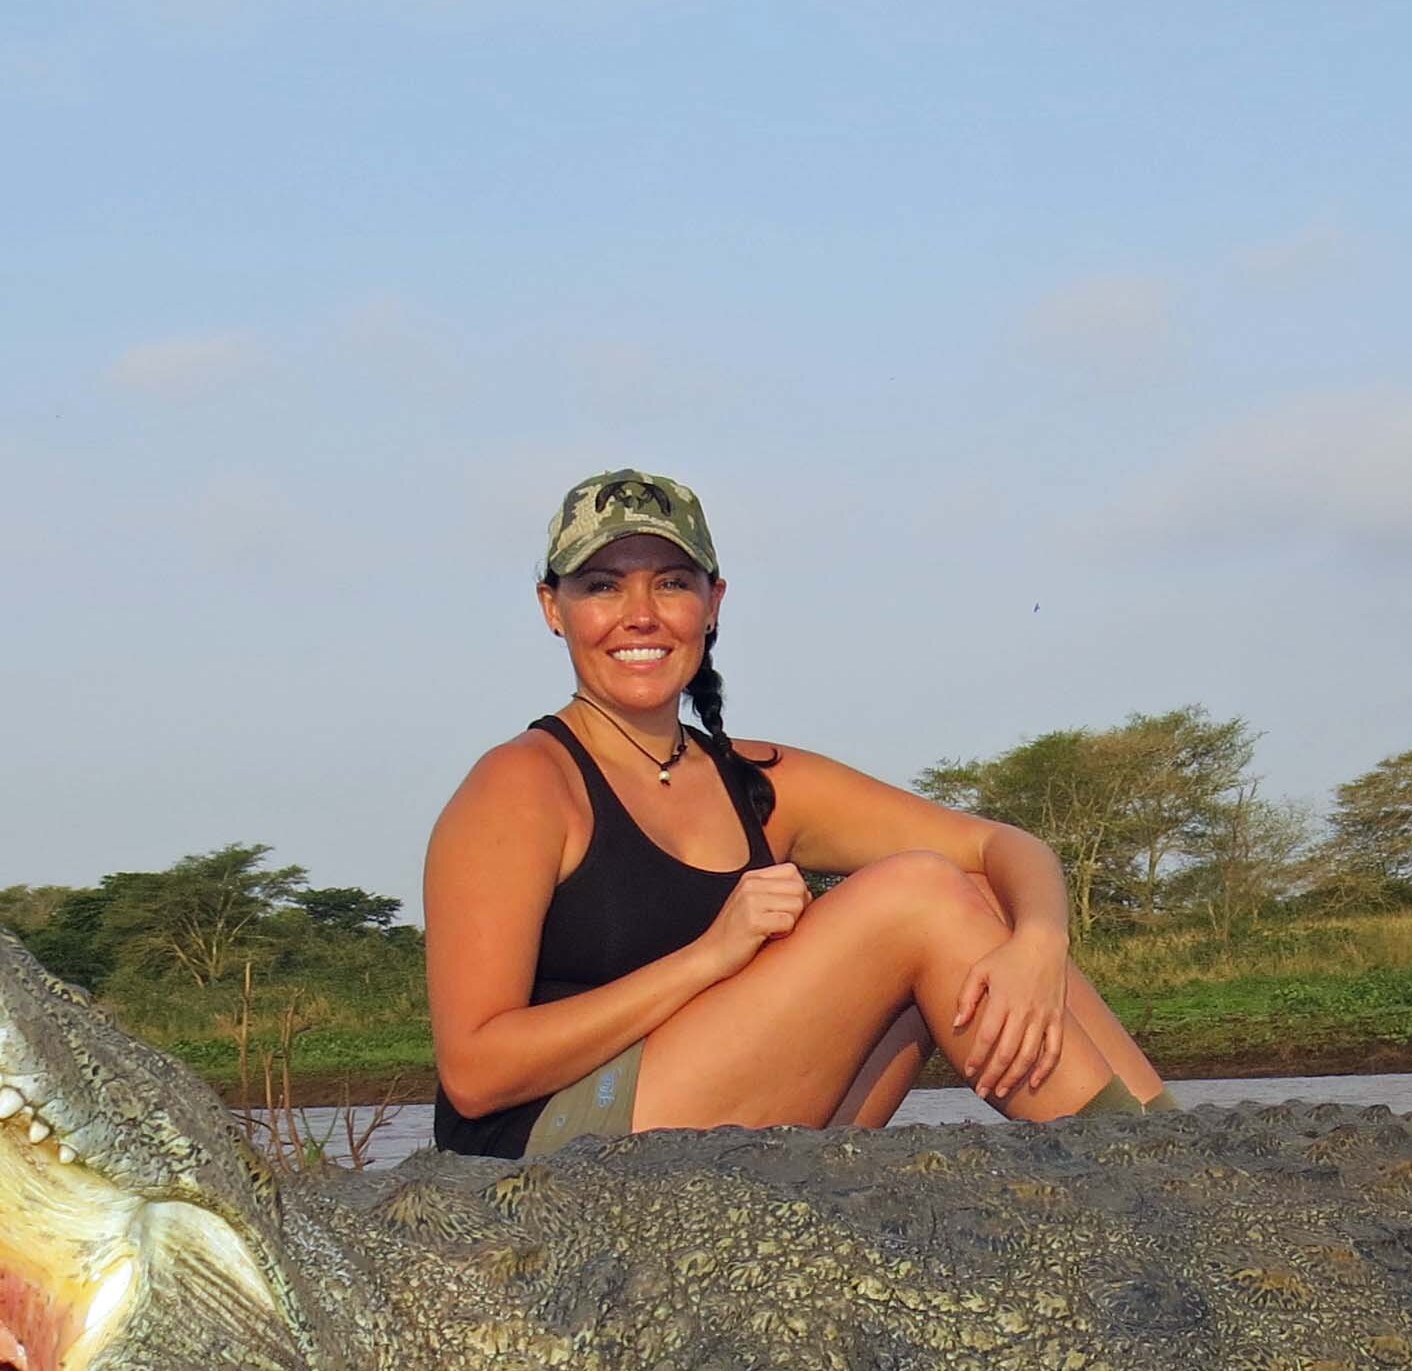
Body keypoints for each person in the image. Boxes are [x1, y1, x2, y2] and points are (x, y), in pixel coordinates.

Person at [427, 468, 1169, 1159]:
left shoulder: (754, 778)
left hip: (714, 1125)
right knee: (915, 895)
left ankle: (1178, 1162)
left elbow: (1005, 846)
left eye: (671, 584)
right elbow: (476, 1073)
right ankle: (1145, 1181)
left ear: (712, 604)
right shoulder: (522, 783)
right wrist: (709, 957)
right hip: (551, 1150)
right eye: (602, 587)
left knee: (980, 899)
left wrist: (1038, 944)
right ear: (552, 609)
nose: (641, 616)